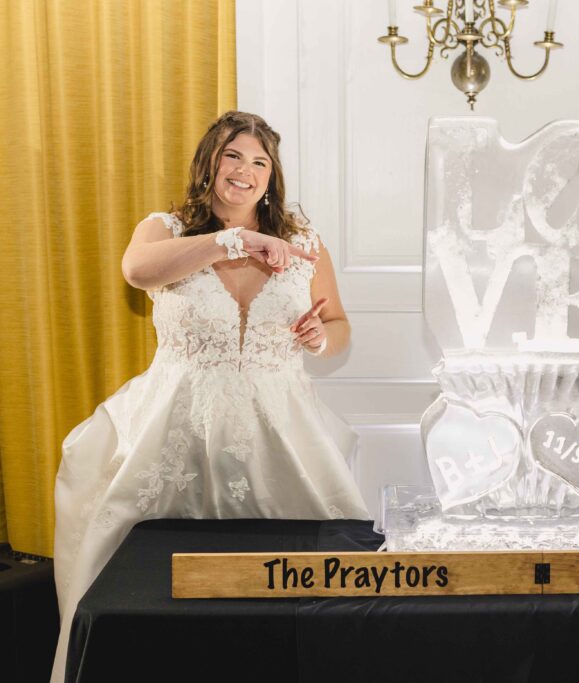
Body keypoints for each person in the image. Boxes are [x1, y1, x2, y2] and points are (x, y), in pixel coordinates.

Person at [51, 111, 369, 682]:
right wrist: (234, 240)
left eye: (259, 161)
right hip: (175, 426)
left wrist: (321, 337)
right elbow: (136, 271)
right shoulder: (166, 229)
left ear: (272, 177)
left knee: (291, 587)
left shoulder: (304, 241)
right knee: (151, 588)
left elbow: (339, 322)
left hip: (280, 431)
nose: (244, 171)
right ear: (209, 164)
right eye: (232, 156)